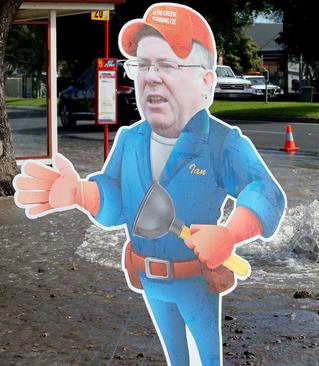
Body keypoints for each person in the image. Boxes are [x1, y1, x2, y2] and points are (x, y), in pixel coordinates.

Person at [13, 3, 286, 365]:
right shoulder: (131, 139)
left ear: (206, 81)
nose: (150, 77)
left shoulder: (222, 142)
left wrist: (230, 233)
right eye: (142, 65)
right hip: (148, 278)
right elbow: (116, 200)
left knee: (207, 358)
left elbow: (265, 192)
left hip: (195, 281)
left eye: (167, 65)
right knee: (176, 358)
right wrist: (79, 193)